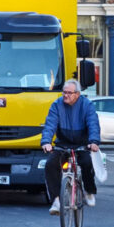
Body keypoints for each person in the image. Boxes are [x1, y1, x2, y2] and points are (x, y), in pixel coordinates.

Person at [41, 79, 101, 216]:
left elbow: (93, 124)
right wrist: (46, 142)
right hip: (63, 143)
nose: (65, 95)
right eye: (64, 92)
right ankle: (56, 200)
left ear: (77, 94)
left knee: (86, 163)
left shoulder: (87, 105)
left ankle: (89, 191)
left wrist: (94, 142)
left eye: (69, 93)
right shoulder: (56, 105)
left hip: (82, 143)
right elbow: (50, 124)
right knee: (50, 164)